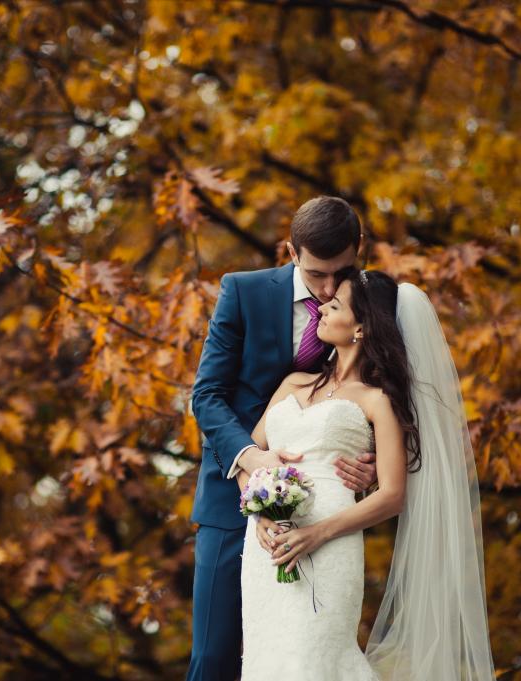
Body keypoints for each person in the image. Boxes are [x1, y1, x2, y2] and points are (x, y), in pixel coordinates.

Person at [239, 269, 495, 680]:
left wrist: (317, 533)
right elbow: (248, 458)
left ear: (361, 327)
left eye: (335, 305)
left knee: (314, 661)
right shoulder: (291, 384)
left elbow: (393, 494)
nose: (321, 307)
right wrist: (261, 514)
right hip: (266, 550)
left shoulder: (379, 402)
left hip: (330, 545)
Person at [187, 196, 378, 681]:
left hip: (326, 517)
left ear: (359, 248)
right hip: (232, 504)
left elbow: (385, 404)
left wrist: (371, 463)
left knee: (305, 661)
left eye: (342, 271)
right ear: (290, 252)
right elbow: (207, 395)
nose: (330, 287)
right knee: (214, 658)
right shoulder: (242, 292)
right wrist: (253, 459)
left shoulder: (373, 310)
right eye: (317, 275)